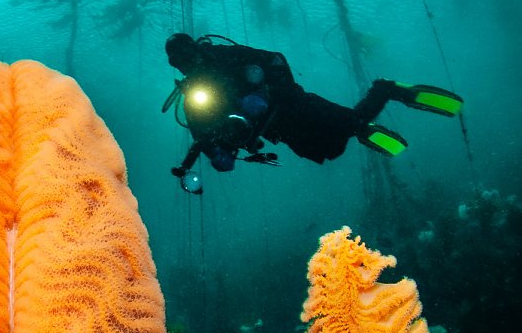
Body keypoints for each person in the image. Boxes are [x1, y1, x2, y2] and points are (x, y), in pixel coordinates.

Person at [162, 33, 464, 194]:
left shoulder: (226, 57)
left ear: (197, 48)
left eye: (187, 55)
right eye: (177, 62)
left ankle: (387, 90)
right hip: (280, 132)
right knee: (331, 150)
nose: (185, 64)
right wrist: (219, 155)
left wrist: (266, 92)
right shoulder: (192, 104)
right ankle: (360, 126)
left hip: (294, 104)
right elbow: (205, 140)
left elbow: (276, 60)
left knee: (352, 125)